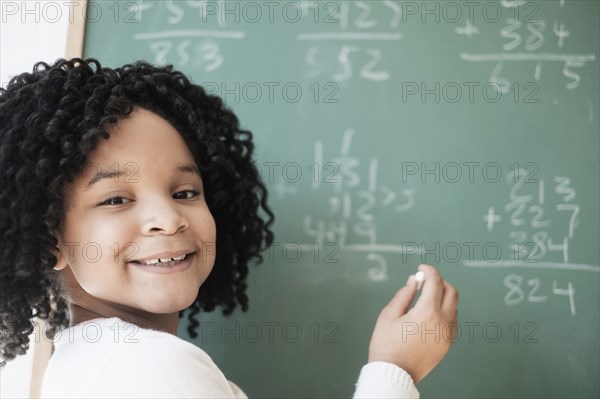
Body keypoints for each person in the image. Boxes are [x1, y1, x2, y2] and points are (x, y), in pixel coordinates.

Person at [0, 58, 458, 398]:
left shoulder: (91, 363)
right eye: (116, 199)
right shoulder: (148, 368)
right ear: (47, 239)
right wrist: (395, 369)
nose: (170, 218)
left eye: (185, 192)